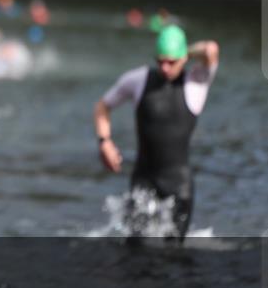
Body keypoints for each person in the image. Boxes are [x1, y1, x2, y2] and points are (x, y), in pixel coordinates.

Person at [93, 26, 219, 242]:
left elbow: (211, 49)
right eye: (160, 60)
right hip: (144, 180)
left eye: (171, 62)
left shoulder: (196, 82)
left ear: (183, 58)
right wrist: (105, 142)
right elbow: (103, 106)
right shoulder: (138, 79)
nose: (165, 67)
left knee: (174, 256)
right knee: (134, 252)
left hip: (179, 185)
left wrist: (183, 51)